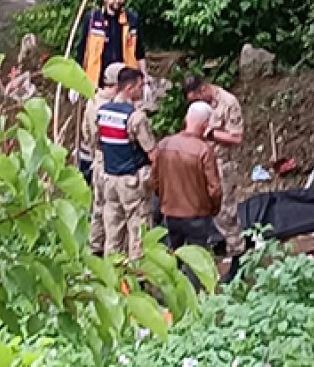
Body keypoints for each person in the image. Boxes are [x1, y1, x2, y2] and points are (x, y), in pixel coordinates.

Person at [183, 75, 246, 281]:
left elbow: (236, 138)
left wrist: (211, 134)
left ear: (203, 90)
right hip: (199, 163)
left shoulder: (228, 103)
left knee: (224, 213)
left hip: (221, 165)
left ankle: (238, 255)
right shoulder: (197, 106)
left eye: (196, 100)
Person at [98, 67, 157, 258]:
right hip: (131, 181)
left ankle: (112, 276)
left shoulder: (102, 113)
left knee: (113, 233)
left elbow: (98, 143)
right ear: (130, 88)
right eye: (140, 86)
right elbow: (152, 152)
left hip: (109, 180)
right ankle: (139, 279)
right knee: (139, 232)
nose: (142, 90)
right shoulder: (135, 117)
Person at [148, 101, 222, 251]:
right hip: (197, 214)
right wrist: (213, 210)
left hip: (170, 212)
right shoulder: (204, 150)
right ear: (205, 124)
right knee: (197, 259)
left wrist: (164, 200)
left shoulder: (164, 145)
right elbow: (214, 188)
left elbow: (154, 180)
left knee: (172, 255)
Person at [83, 62, 127, 255]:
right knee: (111, 210)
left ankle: (95, 247)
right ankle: (111, 250)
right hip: (109, 161)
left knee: (98, 207)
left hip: (97, 160)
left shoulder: (92, 101)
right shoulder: (109, 107)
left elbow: (87, 134)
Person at [76, 0, 146, 89]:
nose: (118, 0)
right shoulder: (93, 19)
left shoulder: (132, 19)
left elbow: (139, 53)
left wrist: (144, 80)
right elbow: (82, 51)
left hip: (127, 83)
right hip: (97, 83)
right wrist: (76, 82)